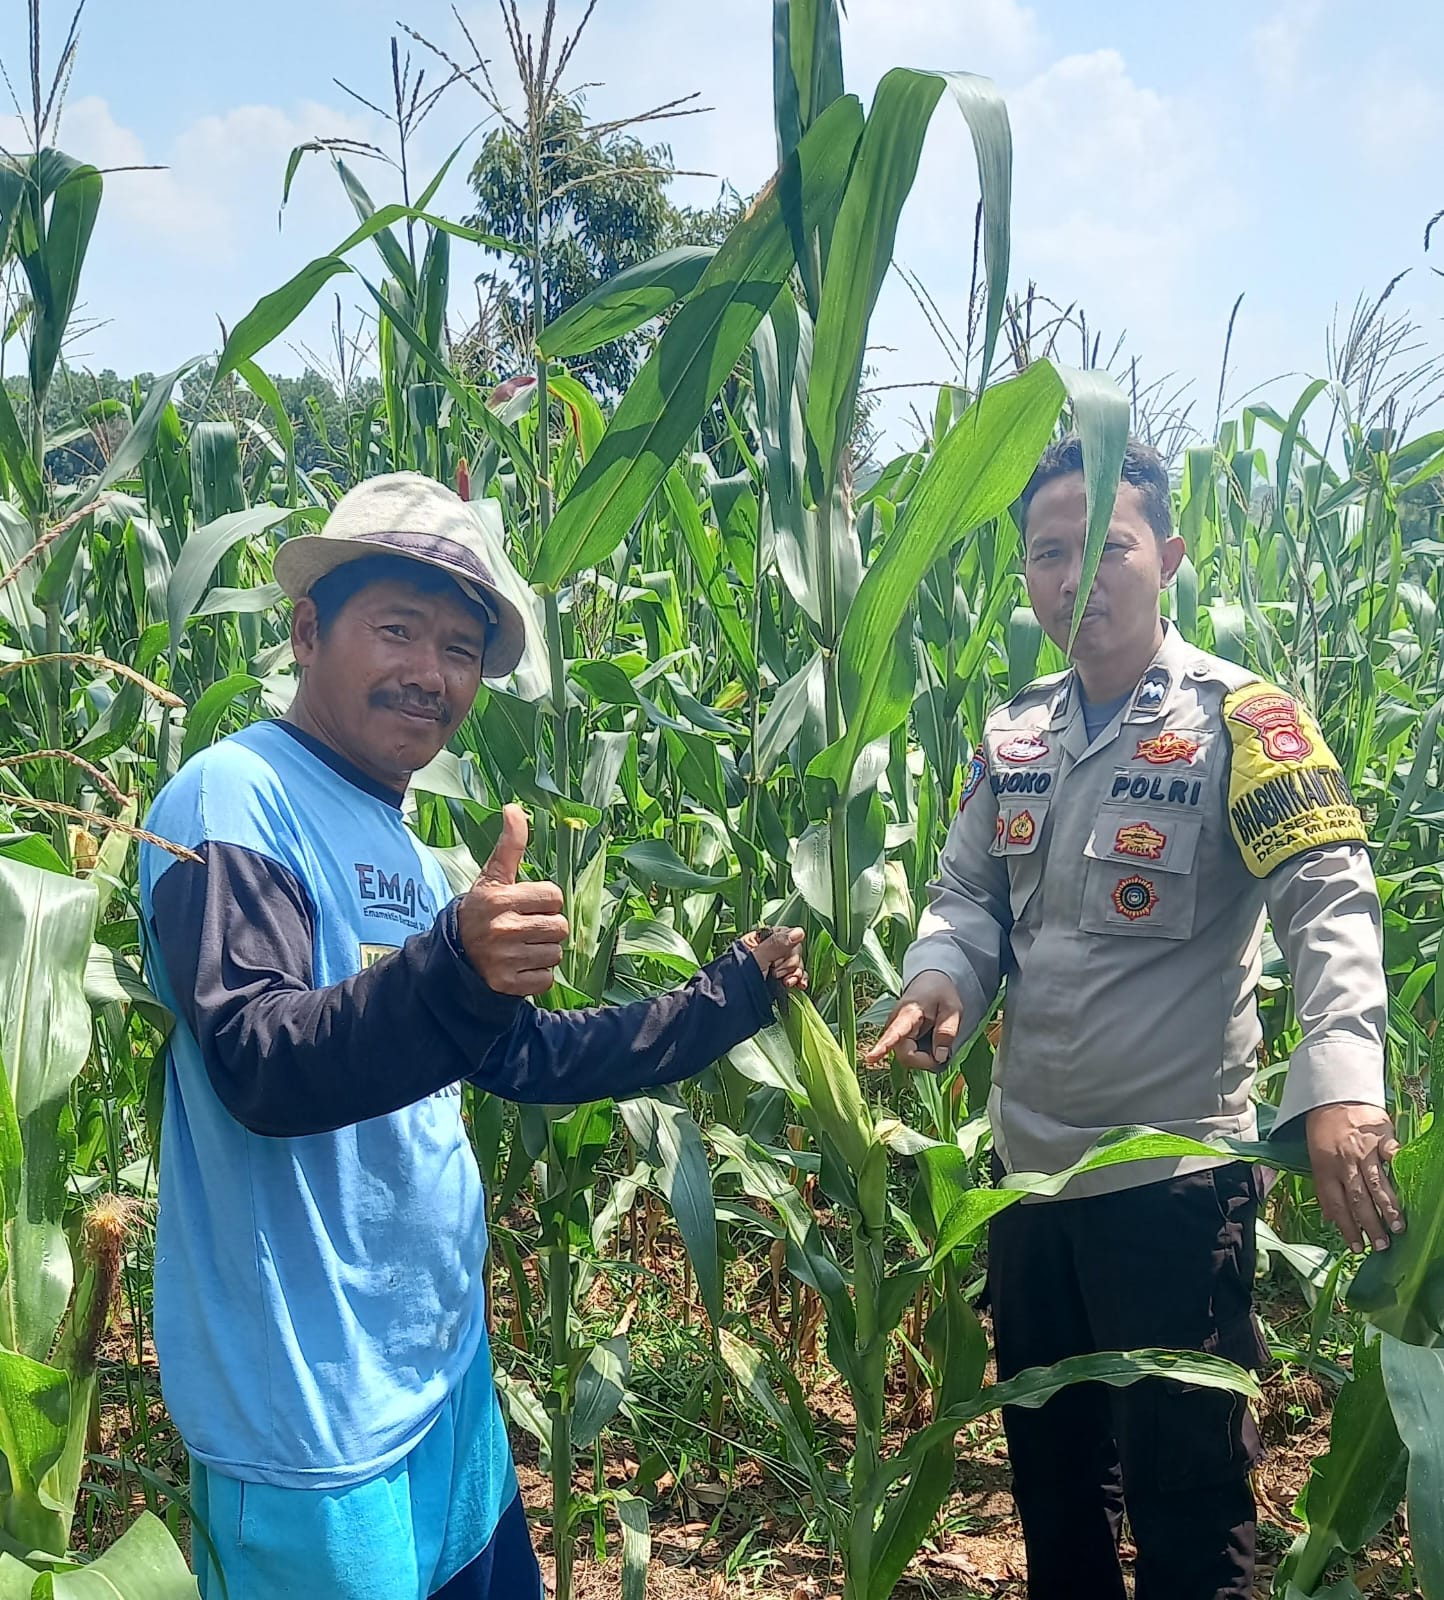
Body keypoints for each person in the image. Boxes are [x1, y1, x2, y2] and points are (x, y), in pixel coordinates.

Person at [138, 472, 807, 1600]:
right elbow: (256, 1059)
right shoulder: (234, 798)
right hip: (313, 1422)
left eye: (459, 648)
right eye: (396, 628)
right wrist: (452, 961)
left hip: (442, 1379)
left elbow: (523, 1055)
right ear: (307, 631)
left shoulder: (407, 848)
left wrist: (732, 993)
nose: (431, 672)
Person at [866, 436, 1401, 1600]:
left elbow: (1327, 900)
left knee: (1186, 1508)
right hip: (1028, 1187)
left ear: (1168, 554)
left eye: (1105, 547)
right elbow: (967, 897)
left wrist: (1342, 1081)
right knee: (1054, 1496)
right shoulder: (1013, 735)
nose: (1075, 579)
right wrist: (939, 977)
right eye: (1048, 553)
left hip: (1171, 1187)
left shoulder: (1243, 721)